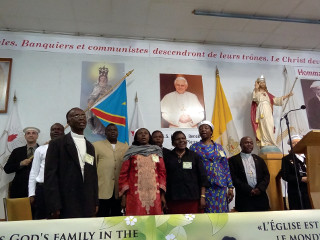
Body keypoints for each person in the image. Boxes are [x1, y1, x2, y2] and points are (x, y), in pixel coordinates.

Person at [44, 107, 99, 218]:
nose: (81, 118)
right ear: (68, 122)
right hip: (65, 201)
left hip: (86, 202)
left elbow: (93, 176)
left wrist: (95, 201)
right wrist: (54, 204)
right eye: (76, 116)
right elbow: (50, 176)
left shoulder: (90, 146)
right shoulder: (57, 144)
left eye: (83, 115)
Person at [118, 128, 166, 215]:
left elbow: (162, 172)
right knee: (137, 221)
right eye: (140, 133)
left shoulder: (156, 151)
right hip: (135, 194)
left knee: (154, 221)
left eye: (145, 133)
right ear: (136, 138)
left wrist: (162, 195)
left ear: (149, 137)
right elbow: (123, 174)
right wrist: (124, 196)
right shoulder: (131, 152)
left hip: (154, 194)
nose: (143, 135)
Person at [190, 121, 234, 213]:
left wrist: (230, 187)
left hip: (220, 186)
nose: (203, 130)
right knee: (207, 216)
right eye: (201, 128)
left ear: (211, 132)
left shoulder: (219, 148)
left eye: (206, 128)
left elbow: (226, 167)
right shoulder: (194, 148)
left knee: (221, 215)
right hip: (204, 187)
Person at [164, 131, 209, 214]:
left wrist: (202, 196)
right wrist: (163, 197)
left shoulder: (194, 156)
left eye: (183, 138)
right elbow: (164, 178)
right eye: (178, 139)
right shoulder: (167, 157)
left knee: (194, 224)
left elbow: (202, 177)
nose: (181, 140)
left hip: (192, 199)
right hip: (173, 199)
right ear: (173, 143)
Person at [28, 123, 64, 219]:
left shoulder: (68, 149)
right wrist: (31, 194)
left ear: (63, 132)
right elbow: (34, 172)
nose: (56, 131)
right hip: (43, 189)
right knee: (41, 219)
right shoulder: (41, 150)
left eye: (59, 129)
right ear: (50, 133)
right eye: (53, 129)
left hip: (62, 189)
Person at [93, 123, 129, 217]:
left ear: (117, 133)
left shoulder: (125, 147)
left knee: (116, 218)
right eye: (109, 130)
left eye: (115, 130)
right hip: (102, 188)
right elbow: (92, 167)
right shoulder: (96, 145)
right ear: (105, 132)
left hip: (119, 190)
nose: (112, 131)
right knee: (102, 216)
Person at [228, 136, 270, 212]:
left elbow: (266, 176)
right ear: (241, 145)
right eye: (246, 143)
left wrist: (259, 189)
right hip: (244, 198)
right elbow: (233, 178)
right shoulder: (233, 160)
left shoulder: (259, 159)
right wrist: (249, 190)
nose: (249, 145)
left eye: (251, 143)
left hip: (260, 197)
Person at [251, 75, 292, 147]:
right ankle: (265, 142)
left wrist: (286, 96)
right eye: (261, 82)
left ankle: (271, 141)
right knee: (264, 124)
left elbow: (276, 100)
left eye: (264, 82)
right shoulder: (256, 92)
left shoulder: (267, 94)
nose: (263, 84)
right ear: (258, 84)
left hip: (268, 110)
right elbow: (255, 98)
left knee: (270, 125)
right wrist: (256, 89)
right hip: (262, 110)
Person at [4, 127, 40, 198]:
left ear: (37, 136)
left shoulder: (43, 150)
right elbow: (7, 169)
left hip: (38, 189)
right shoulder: (16, 151)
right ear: (25, 136)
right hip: (19, 190)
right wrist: (20, 164)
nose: (31, 135)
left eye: (33, 133)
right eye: (28, 133)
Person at [281, 135, 311, 210]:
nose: (296, 144)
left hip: (310, 190)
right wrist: (301, 179)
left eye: (298, 142)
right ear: (291, 145)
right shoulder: (287, 159)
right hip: (295, 191)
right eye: (293, 143)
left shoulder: (309, 156)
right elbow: (285, 175)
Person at [87, 66, 112, 135]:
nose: (103, 79)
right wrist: (91, 101)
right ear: (99, 78)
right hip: (97, 104)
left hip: (106, 104)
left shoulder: (109, 87)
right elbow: (92, 96)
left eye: (104, 78)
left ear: (106, 79)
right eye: (101, 78)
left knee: (105, 117)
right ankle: (97, 129)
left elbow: (111, 96)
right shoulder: (96, 86)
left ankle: (104, 130)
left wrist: (105, 93)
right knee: (96, 116)